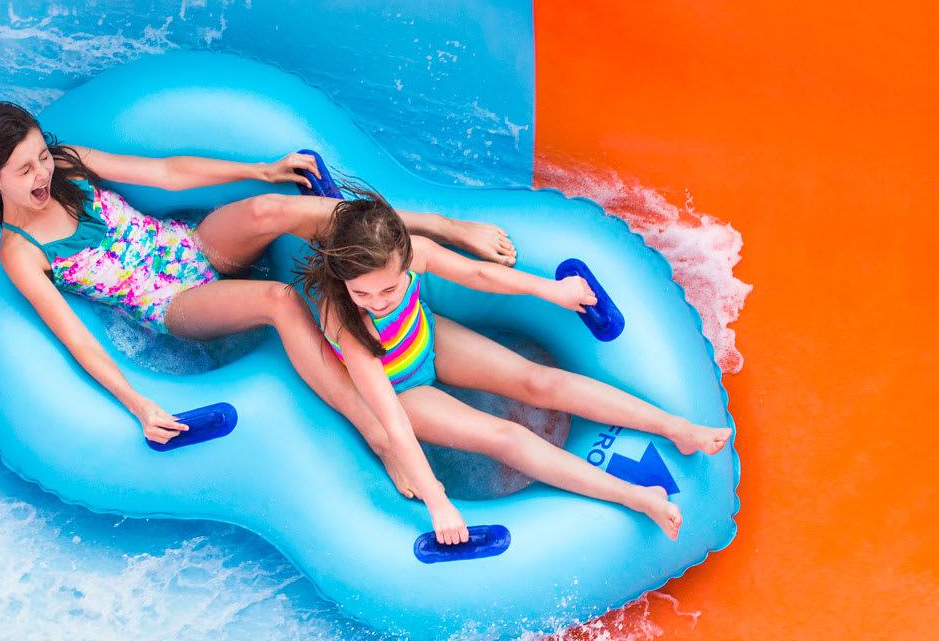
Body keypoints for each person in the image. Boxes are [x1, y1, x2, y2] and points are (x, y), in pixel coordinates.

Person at [0, 101, 514, 493]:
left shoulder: (67, 166)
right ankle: (380, 434)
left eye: (41, 156)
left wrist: (261, 168)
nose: (41, 174)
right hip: (172, 303)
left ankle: (442, 225)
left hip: (194, 248)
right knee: (280, 299)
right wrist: (138, 403)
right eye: (23, 170)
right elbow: (73, 337)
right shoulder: (20, 251)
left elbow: (168, 174)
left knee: (269, 209)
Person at [300, 183, 733, 543]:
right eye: (363, 294)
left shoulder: (414, 252)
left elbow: (480, 275)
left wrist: (551, 290)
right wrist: (438, 502)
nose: (376, 304)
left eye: (389, 291)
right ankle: (636, 497)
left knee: (540, 381)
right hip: (402, 390)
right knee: (505, 437)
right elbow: (392, 420)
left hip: (427, 338)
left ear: (402, 257)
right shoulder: (341, 319)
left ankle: (675, 428)